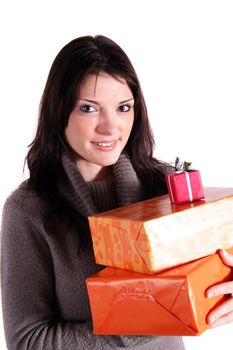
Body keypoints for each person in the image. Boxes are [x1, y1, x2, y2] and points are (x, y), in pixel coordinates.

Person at [1, 35, 232, 350]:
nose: (111, 127)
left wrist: (222, 285)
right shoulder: (29, 210)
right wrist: (143, 323)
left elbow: (213, 265)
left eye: (123, 107)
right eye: (89, 109)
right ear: (59, 112)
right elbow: (28, 341)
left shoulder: (166, 185)